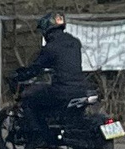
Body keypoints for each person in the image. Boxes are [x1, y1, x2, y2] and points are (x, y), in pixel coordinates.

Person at [9, 11, 86, 142]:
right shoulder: (75, 43)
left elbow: (35, 68)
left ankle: (40, 134)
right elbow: (64, 62)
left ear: (46, 30)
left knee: (29, 100)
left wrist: (20, 75)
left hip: (62, 90)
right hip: (81, 87)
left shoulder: (51, 48)